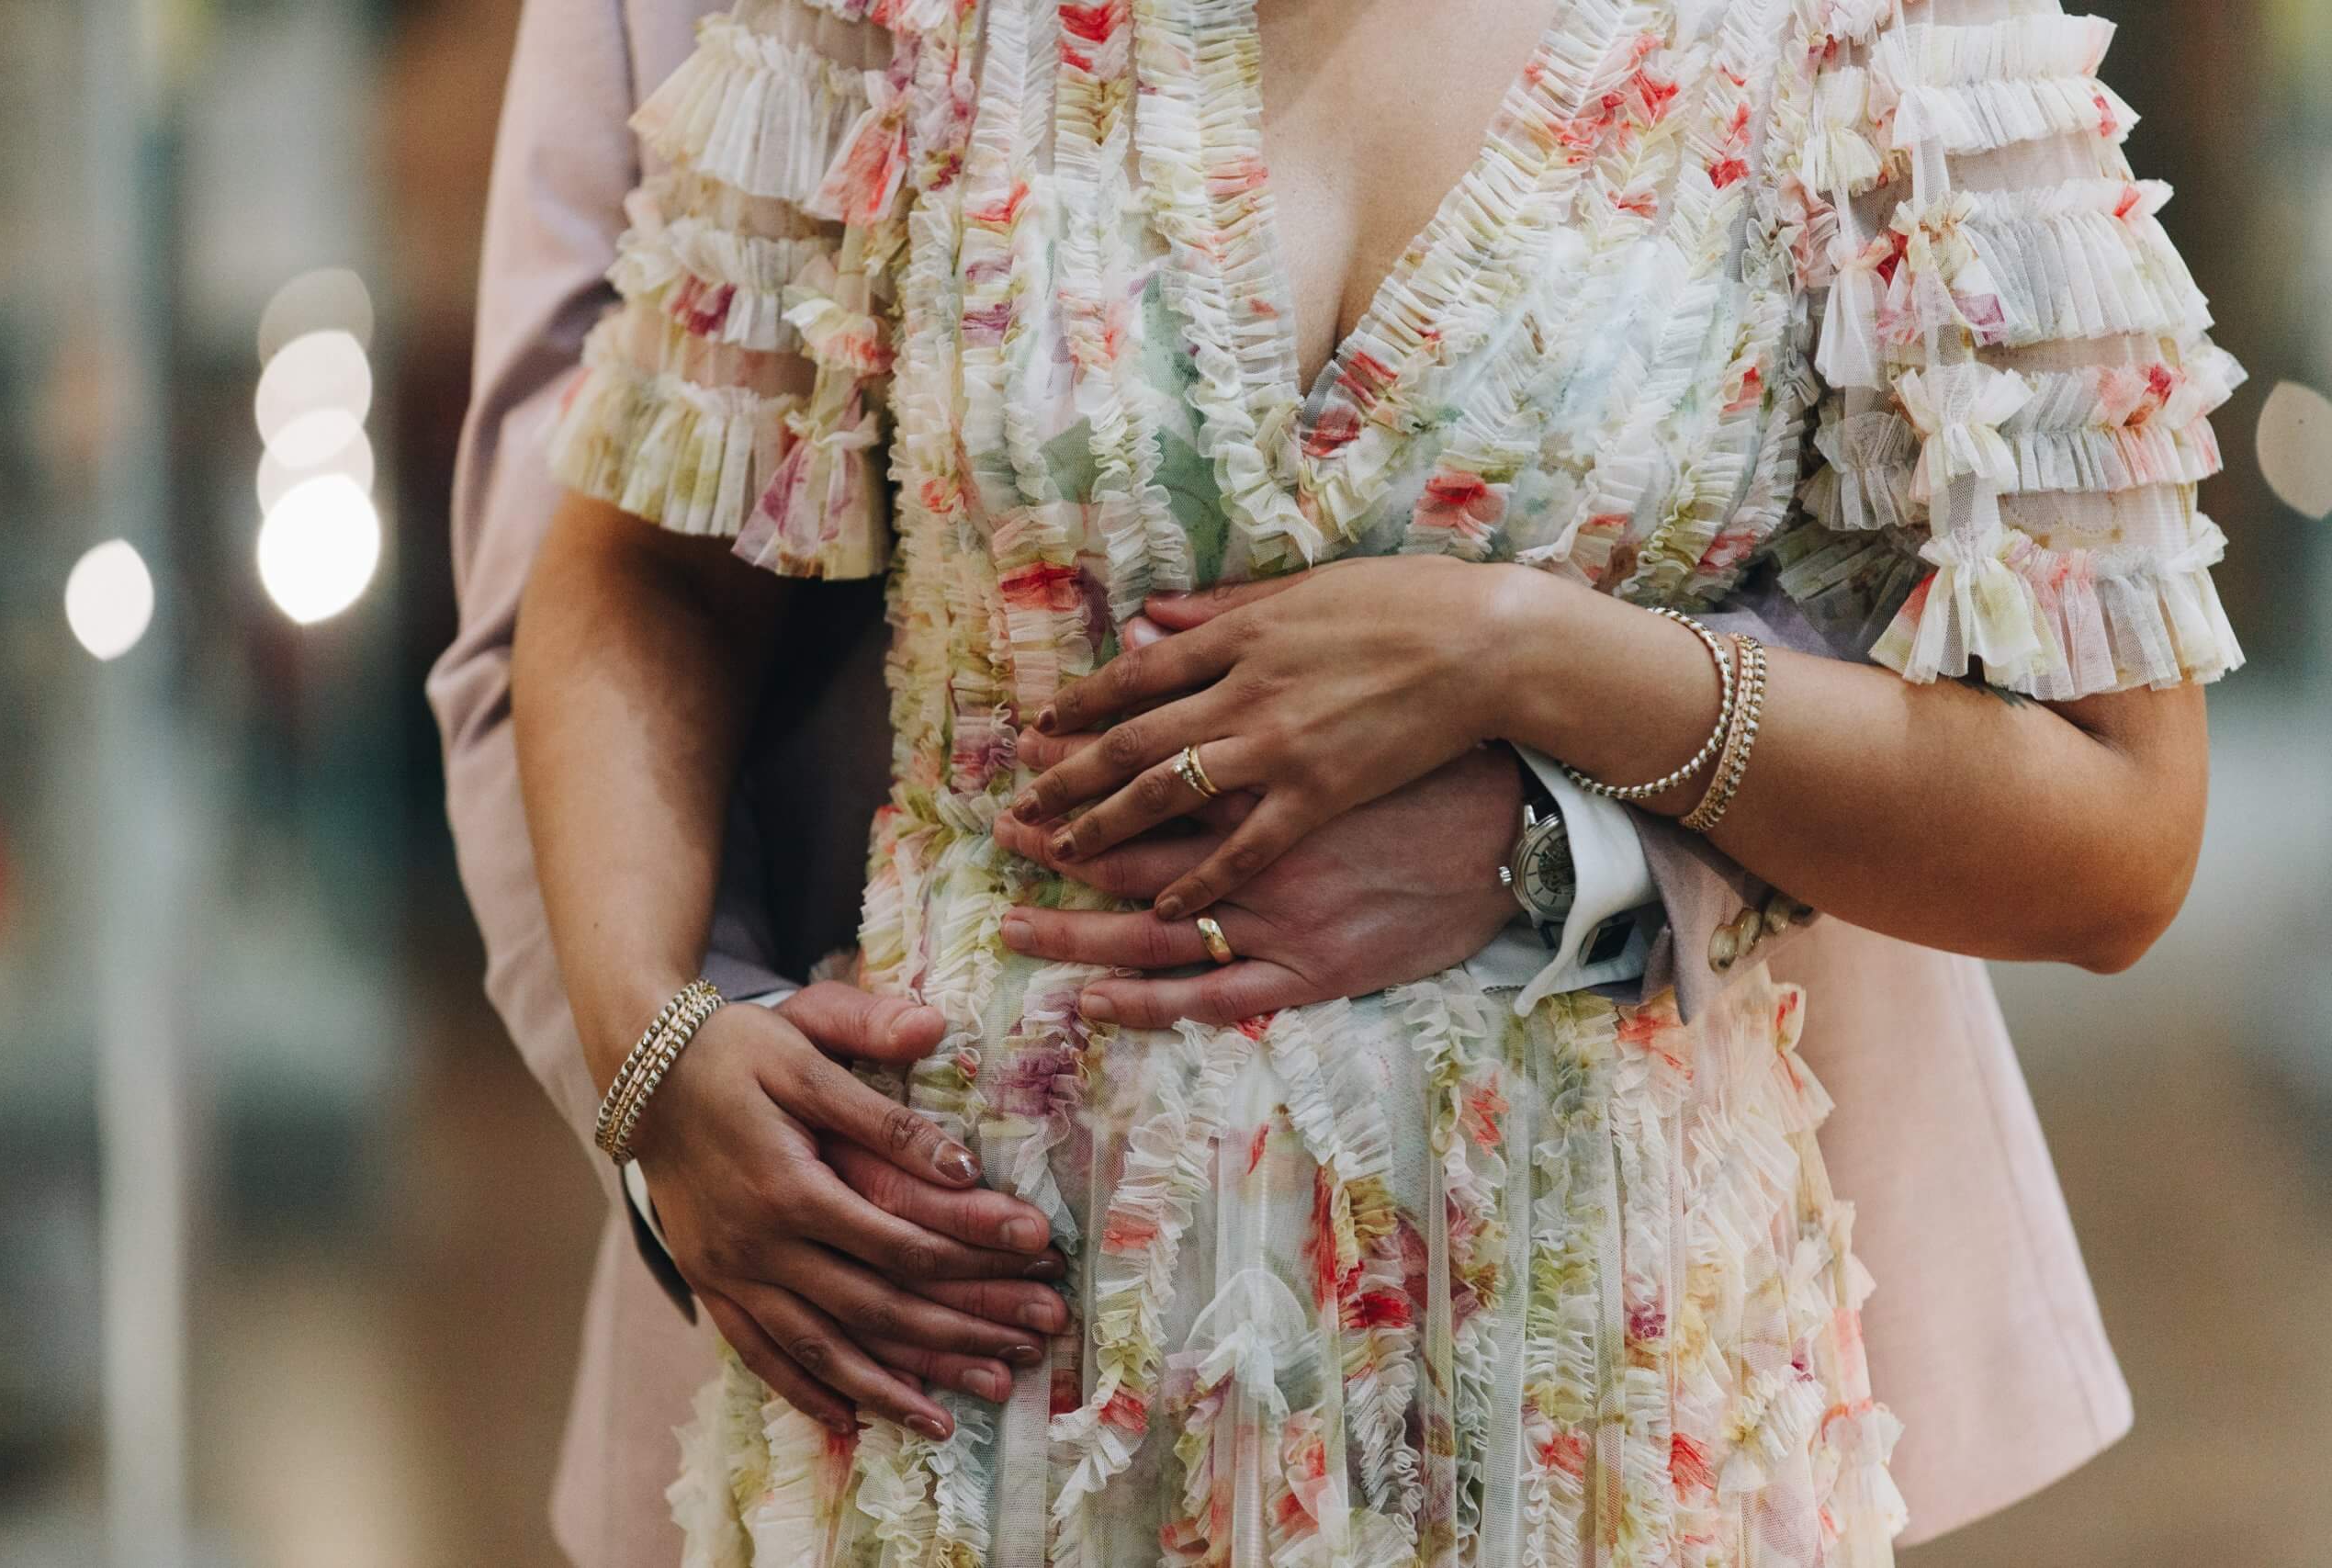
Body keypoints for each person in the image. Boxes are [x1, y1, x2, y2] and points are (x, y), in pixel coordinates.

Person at [434, 0, 2239, 1562]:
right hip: (973, 1361)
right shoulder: (898, 28)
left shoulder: (1884, 45)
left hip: (1580, 1380)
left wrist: (1531, 656)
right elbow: (645, 563)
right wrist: (654, 1047)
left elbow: (2110, 826)